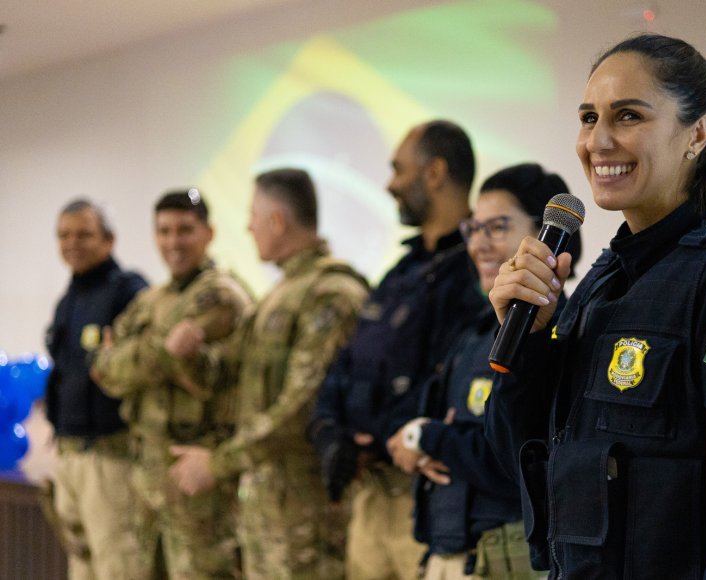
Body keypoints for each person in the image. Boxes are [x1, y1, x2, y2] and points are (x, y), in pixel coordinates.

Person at [484, 34, 706, 579]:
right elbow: (523, 460)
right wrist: (529, 339)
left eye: (627, 116)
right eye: (587, 117)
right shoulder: (605, 280)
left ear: (698, 132)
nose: (597, 141)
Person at [167, 168, 370, 579]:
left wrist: (218, 464)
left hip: (309, 516)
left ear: (277, 220)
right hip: (269, 514)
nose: (247, 227)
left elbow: (301, 408)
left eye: (253, 216)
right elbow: (226, 382)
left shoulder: (331, 293)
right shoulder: (279, 295)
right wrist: (187, 354)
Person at [309, 120, 486, 580]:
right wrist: (329, 429)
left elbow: (453, 381)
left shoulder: (477, 274)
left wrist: (378, 437)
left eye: (397, 169)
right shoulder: (400, 273)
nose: (389, 184)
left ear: (435, 172)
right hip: (370, 496)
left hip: (427, 499)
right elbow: (348, 360)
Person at [387, 163, 581, 579]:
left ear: (549, 238)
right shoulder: (475, 329)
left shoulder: (562, 332)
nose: (479, 244)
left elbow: (521, 462)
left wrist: (433, 439)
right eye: (472, 228)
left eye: (496, 227)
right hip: (449, 552)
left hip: (510, 557)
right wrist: (418, 441)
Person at [91, 190, 252, 579]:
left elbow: (187, 371)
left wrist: (132, 355)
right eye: (164, 231)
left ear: (209, 233)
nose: (173, 242)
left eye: (184, 230)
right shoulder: (151, 300)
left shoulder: (222, 295)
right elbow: (104, 371)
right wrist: (160, 350)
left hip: (198, 479)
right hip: (149, 477)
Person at [44, 199, 148, 580]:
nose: (73, 243)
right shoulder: (69, 299)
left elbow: (141, 368)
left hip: (109, 459)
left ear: (109, 240)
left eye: (84, 234)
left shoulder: (129, 293)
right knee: (81, 567)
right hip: (70, 454)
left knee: (119, 566)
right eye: (65, 235)